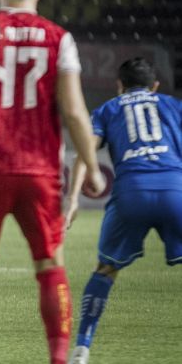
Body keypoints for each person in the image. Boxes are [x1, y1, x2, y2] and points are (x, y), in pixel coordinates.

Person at [0, 0, 106, 363]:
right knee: (50, 266)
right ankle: (59, 357)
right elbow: (74, 112)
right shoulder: (59, 39)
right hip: (39, 170)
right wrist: (91, 165)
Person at [65, 58, 182, 364]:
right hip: (175, 190)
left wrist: (74, 198)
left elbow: (85, 152)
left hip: (131, 193)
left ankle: (82, 349)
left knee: (106, 270)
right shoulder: (173, 105)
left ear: (119, 86)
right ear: (155, 85)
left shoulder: (109, 108)